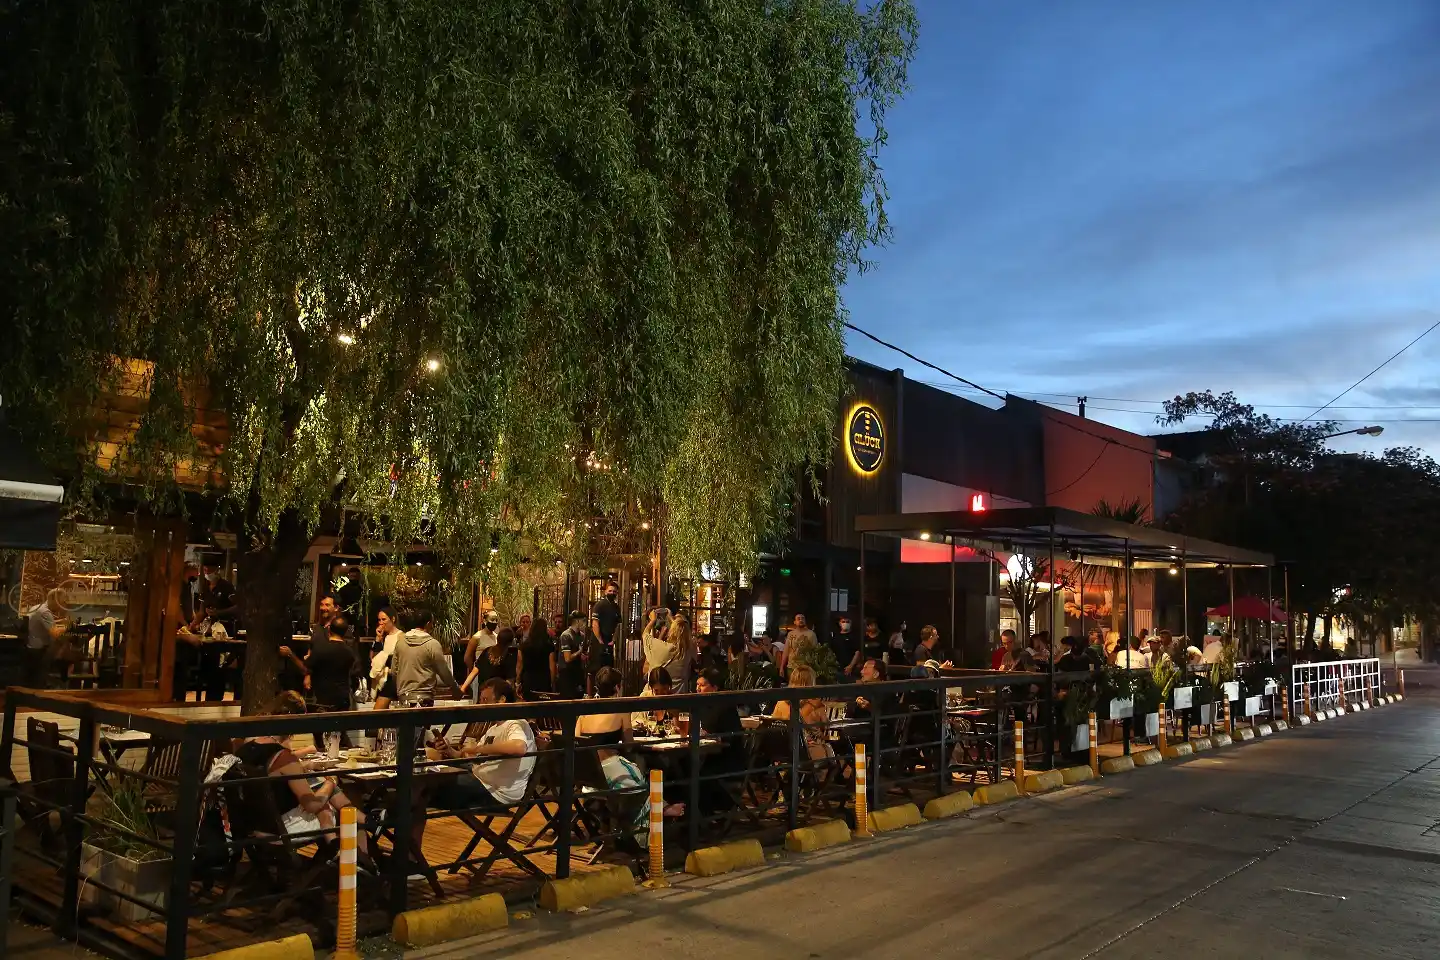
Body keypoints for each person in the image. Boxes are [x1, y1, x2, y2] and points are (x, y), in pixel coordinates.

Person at [232, 692, 367, 854]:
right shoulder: (284, 757)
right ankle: (359, 853)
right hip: (282, 830)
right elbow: (312, 805)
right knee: (340, 810)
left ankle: (342, 851)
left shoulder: (248, 746)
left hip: (254, 824)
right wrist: (331, 781)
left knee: (321, 795)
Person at [424, 679, 535, 843]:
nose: (482, 705)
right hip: (480, 780)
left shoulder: (515, 723)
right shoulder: (493, 728)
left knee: (425, 790)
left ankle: (407, 851)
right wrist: (449, 751)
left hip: (496, 793)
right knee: (428, 774)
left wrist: (477, 748)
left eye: (485, 700)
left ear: (502, 700)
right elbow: (469, 758)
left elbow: (518, 747)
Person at [281, 615, 359, 714]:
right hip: (343, 699)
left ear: (329, 629)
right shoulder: (349, 652)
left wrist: (290, 654)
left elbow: (305, 669)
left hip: (323, 699)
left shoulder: (320, 649)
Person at [391, 606, 460, 704]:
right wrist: (455, 689)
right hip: (424, 698)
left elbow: (394, 672)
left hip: (404, 697)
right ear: (428, 624)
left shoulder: (400, 643)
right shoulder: (432, 644)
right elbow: (443, 671)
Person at [770, 664, 832, 761]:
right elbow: (826, 729)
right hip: (809, 752)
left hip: (785, 753)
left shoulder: (781, 703)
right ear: (811, 682)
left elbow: (773, 726)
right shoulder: (816, 705)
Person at [575, 666, 633, 750]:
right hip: (610, 760)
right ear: (617, 687)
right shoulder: (621, 709)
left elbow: (576, 740)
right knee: (640, 760)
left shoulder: (585, 712)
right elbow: (629, 746)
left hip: (587, 762)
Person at [25, 588, 68, 689]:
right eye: (61, 602)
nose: (62, 605)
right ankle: (60, 684)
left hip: (30, 647)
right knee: (66, 650)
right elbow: (55, 634)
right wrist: (68, 627)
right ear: (54, 599)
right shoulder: (45, 612)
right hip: (38, 651)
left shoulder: (36, 607)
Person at [462, 626, 519, 698]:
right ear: (510, 642)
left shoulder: (487, 650)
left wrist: (463, 688)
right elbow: (510, 680)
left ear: (498, 639)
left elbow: (474, 671)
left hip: (483, 695)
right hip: (497, 697)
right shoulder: (510, 655)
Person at [369, 608, 403, 710]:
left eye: (384, 619)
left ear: (392, 619)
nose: (381, 623)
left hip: (392, 678)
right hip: (381, 677)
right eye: (379, 620)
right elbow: (374, 658)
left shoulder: (400, 636)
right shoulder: (384, 637)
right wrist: (378, 639)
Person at [516, 617, 557, 699]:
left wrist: (517, 682)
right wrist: (553, 683)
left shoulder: (524, 646)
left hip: (528, 679)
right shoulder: (549, 646)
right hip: (544, 680)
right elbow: (552, 667)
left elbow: (519, 666)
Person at [589, 581, 623, 671]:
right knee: (595, 669)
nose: (612, 593)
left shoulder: (616, 607)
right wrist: (600, 640)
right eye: (610, 591)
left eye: (614, 591)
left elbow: (618, 625)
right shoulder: (599, 605)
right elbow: (595, 624)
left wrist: (614, 640)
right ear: (605, 592)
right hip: (598, 641)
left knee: (608, 668)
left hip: (609, 641)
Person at [556, 610, 590, 699]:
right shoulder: (566, 636)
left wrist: (583, 655)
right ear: (577, 621)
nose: (585, 624)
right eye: (583, 621)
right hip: (567, 673)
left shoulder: (582, 635)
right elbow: (567, 658)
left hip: (578, 671)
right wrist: (579, 652)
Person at [830, 615, 859, 680]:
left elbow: (857, 653)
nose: (845, 623)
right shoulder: (835, 636)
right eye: (843, 621)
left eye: (847, 621)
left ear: (851, 623)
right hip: (837, 667)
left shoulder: (854, 637)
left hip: (849, 668)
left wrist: (851, 666)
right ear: (840, 623)